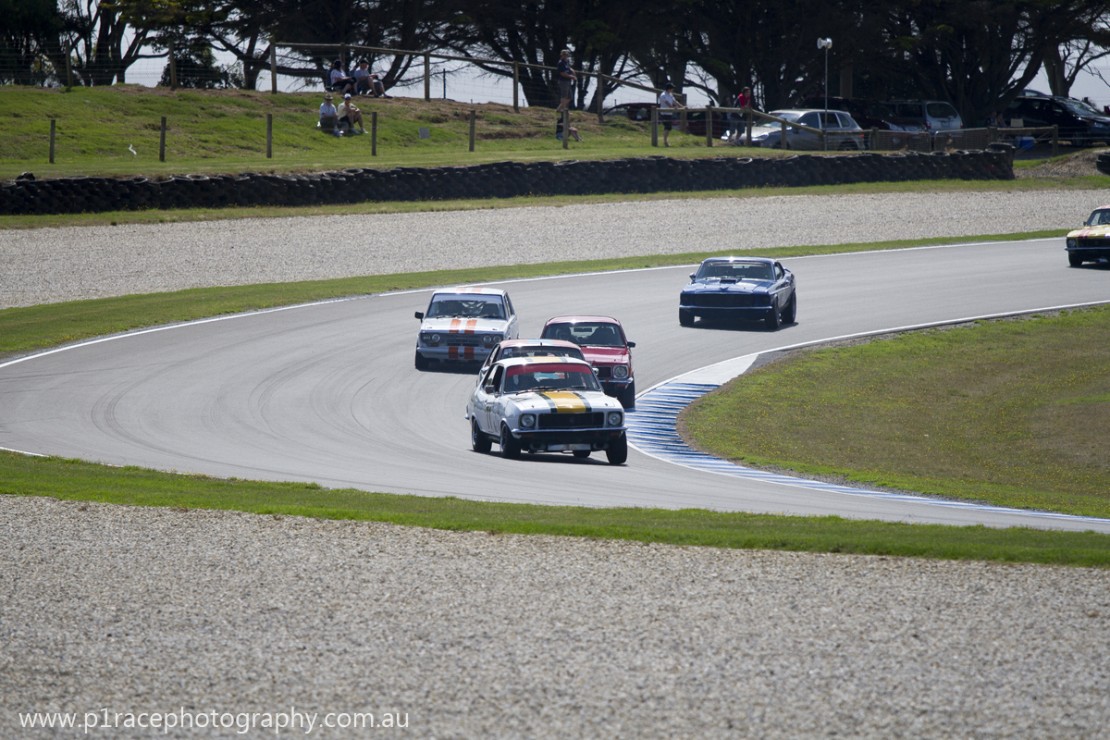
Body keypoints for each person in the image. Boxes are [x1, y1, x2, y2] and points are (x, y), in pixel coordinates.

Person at [657, 82, 685, 147]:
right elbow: (667, 103)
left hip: (669, 113)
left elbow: (675, 102)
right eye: (672, 88)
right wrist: (673, 108)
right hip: (664, 113)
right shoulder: (663, 95)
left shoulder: (670, 95)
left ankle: (665, 141)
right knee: (667, 127)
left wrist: (682, 107)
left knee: (668, 127)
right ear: (668, 88)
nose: (672, 89)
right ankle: (665, 142)